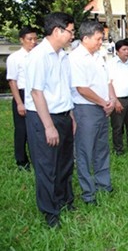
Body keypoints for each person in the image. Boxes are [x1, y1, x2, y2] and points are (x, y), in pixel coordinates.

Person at [24, 12, 75, 228]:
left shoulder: (62, 55)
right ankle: (50, 212)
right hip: (43, 117)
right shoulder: (39, 56)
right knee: (47, 166)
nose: (73, 36)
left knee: (64, 162)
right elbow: (37, 93)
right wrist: (48, 126)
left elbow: (64, 89)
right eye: (71, 31)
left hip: (63, 115)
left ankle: (64, 200)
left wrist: (70, 116)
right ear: (57, 31)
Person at [69, 21, 116, 205]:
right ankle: (88, 193)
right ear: (86, 38)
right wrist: (103, 102)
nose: (100, 42)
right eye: (98, 39)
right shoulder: (76, 58)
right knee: (84, 151)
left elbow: (107, 81)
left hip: (102, 108)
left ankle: (104, 184)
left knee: (101, 148)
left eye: (101, 39)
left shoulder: (98, 56)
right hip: (86, 110)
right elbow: (82, 88)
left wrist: (111, 99)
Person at [6, 26, 38, 171]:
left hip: (36, 94)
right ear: (22, 40)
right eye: (29, 39)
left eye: (35, 39)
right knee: (21, 130)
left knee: (36, 128)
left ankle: (36, 157)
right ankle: (21, 161)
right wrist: (19, 102)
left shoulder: (37, 56)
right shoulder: (15, 58)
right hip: (22, 94)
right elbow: (12, 81)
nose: (33, 42)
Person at [108, 39, 128, 155]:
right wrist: (115, 100)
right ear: (117, 51)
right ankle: (118, 149)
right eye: (124, 49)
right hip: (118, 99)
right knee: (117, 127)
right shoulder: (111, 64)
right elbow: (109, 83)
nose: (127, 52)